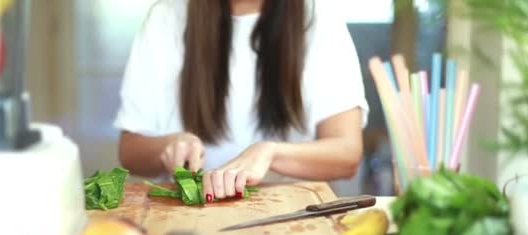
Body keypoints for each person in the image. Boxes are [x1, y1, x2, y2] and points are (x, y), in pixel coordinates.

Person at [115, 0, 369, 203]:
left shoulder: (319, 18)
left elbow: (347, 154)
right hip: (184, 216)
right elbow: (130, 152)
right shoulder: (165, 17)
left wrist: (270, 152)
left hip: (291, 214)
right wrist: (168, 145)